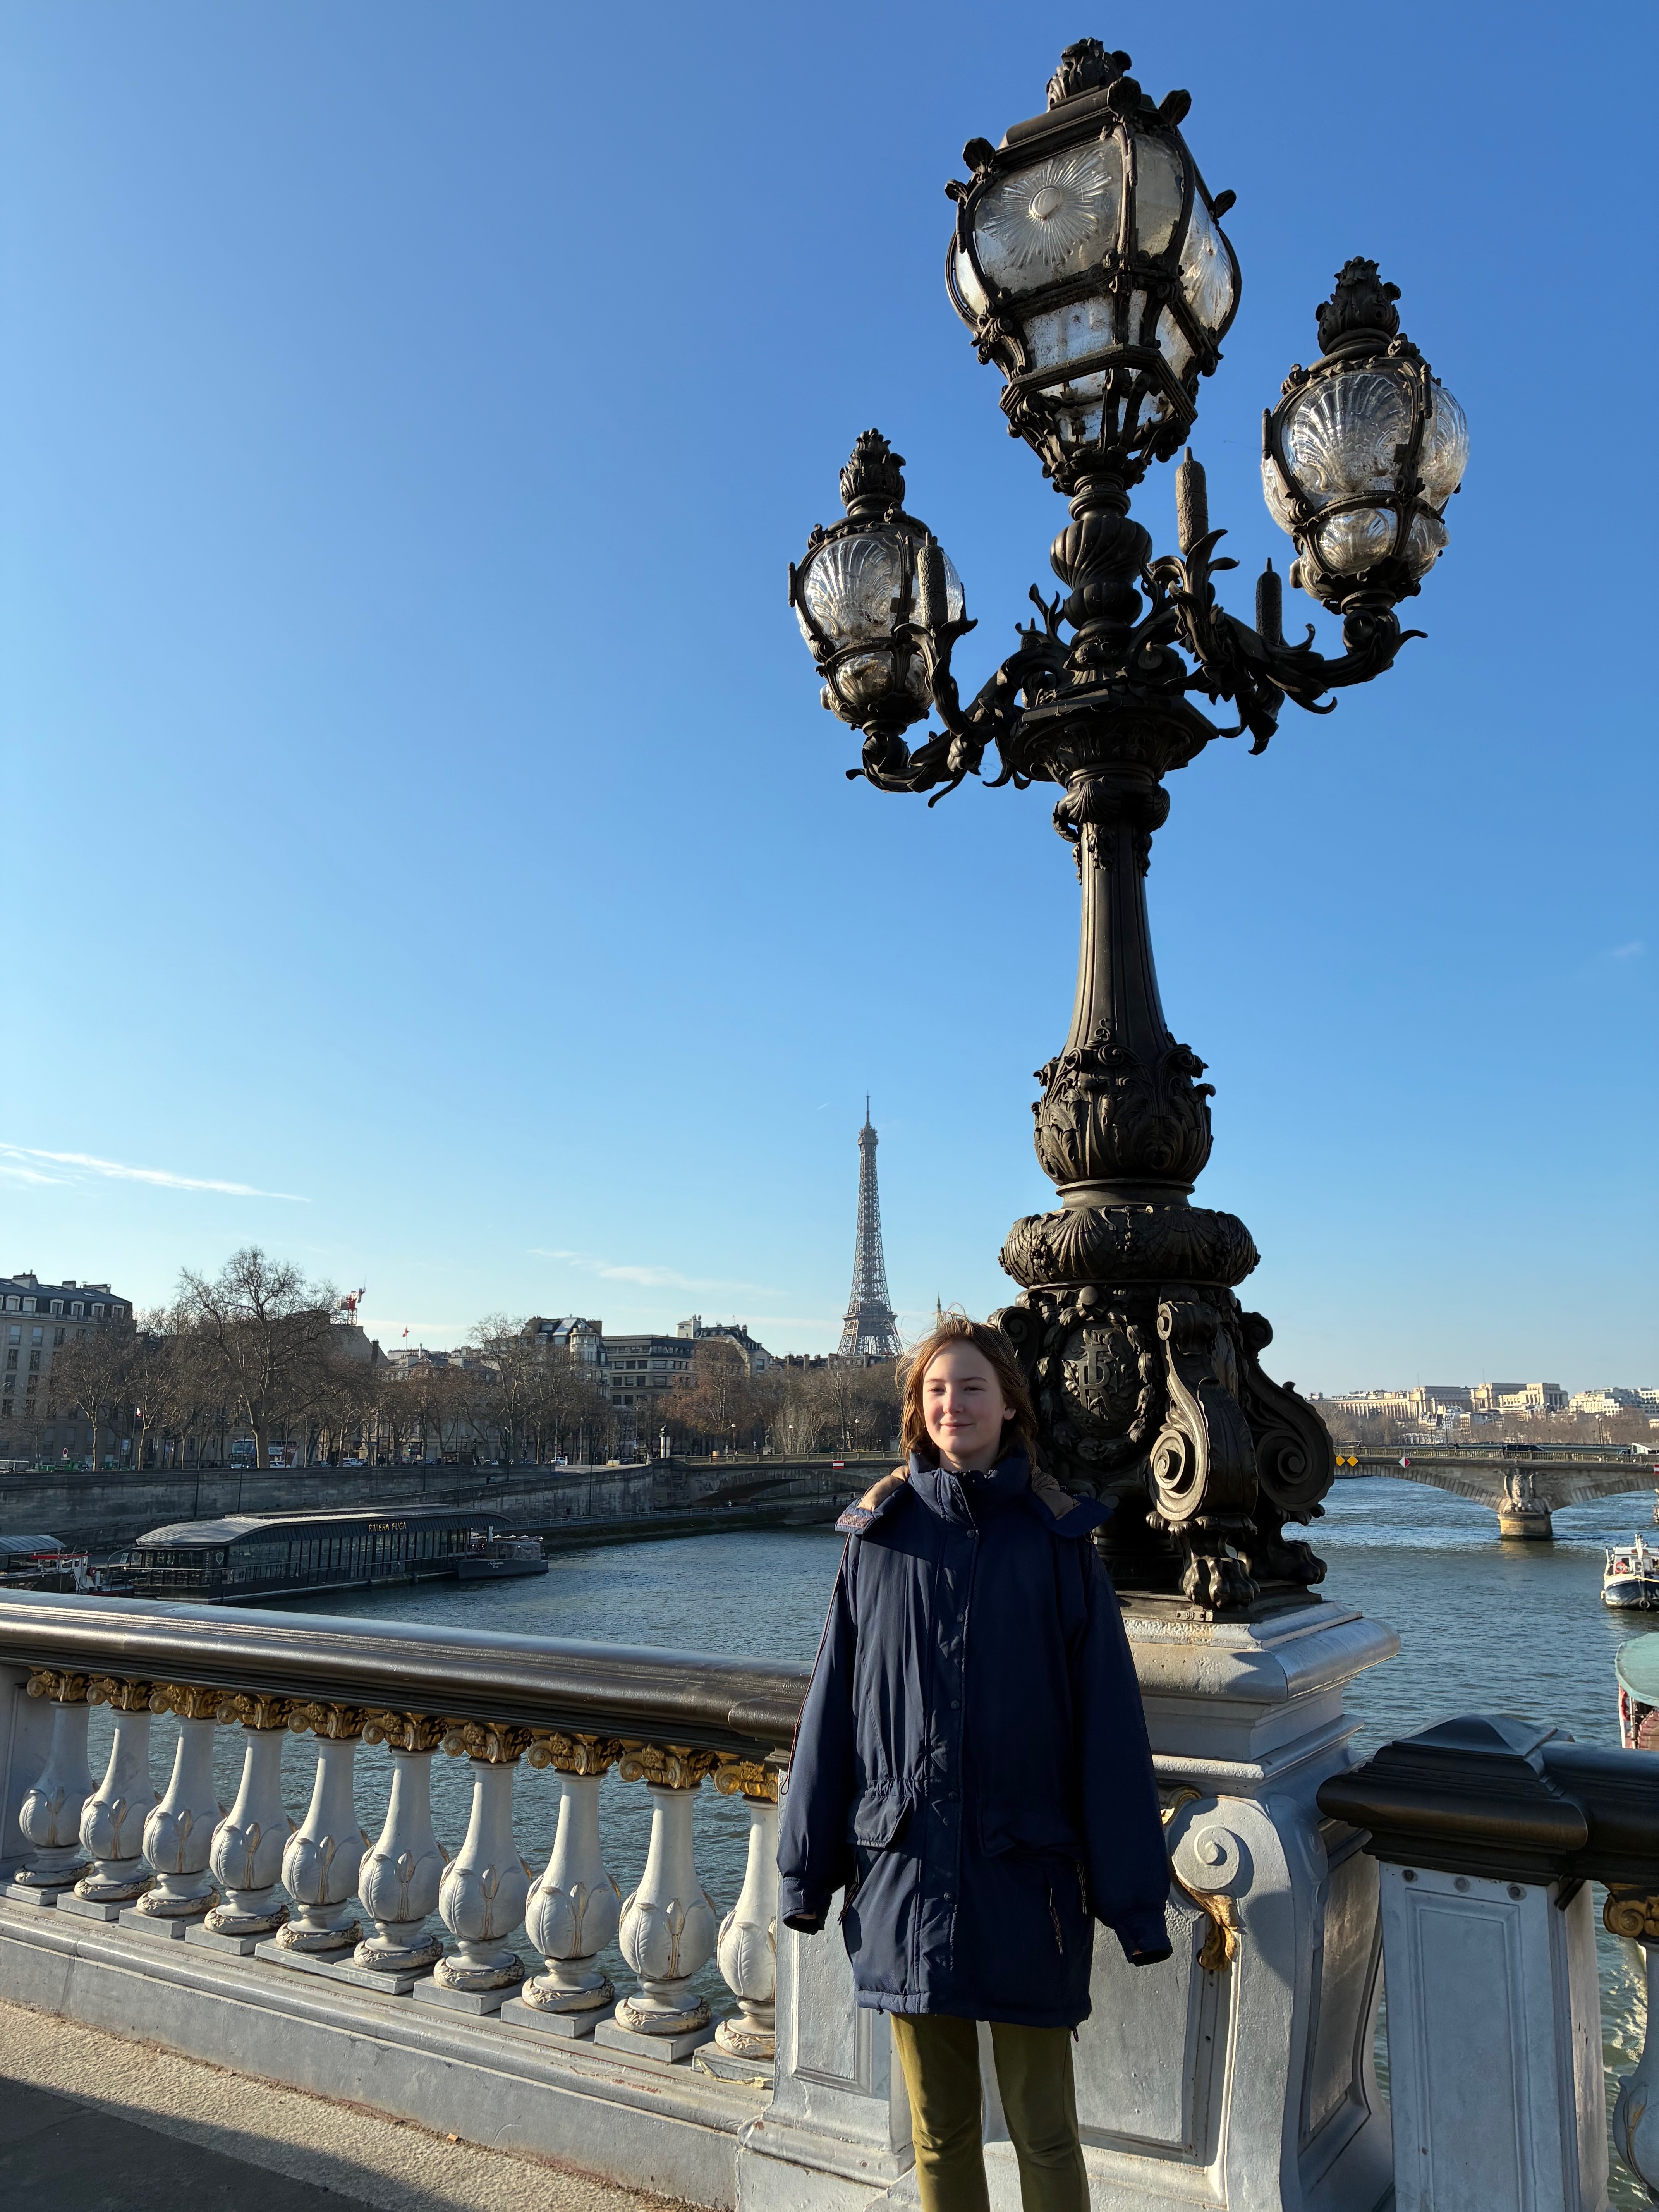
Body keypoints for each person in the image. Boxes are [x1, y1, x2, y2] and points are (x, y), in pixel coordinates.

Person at [777, 1314, 1171, 2212]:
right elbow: (830, 1714)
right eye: (937, 1390)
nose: (953, 1404)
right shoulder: (876, 1538)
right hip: (907, 1873)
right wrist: (807, 1873)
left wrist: (1135, 1902)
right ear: (918, 1409)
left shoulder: (1060, 1541)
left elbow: (1110, 1733)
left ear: (1010, 1406)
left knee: (1044, 2127)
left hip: (1027, 1876)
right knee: (939, 2128)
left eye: (972, 1388)